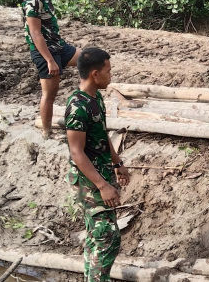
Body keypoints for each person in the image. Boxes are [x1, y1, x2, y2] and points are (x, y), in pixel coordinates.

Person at [65, 47, 130, 282]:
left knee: (97, 237)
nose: (110, 76)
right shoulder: (77, 106)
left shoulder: (95, 99)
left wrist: (117, 162)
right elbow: (76, 152)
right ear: (95, 74)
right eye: (108, 71)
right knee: (107, 238)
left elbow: (102, 135)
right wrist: (102, 185)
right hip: (88, 181)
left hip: (99, 174)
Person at [23, 0, 80, 139]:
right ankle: (47, 132)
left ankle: (87, 104)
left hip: (58, 45)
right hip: (44, 51)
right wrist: (49, 60)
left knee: (89, 60)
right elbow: (35, 34)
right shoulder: (32, 0)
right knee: (50, 94)